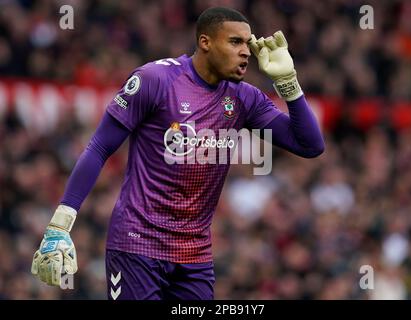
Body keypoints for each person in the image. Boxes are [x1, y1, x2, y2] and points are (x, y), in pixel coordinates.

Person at [31, 6, 325, 300]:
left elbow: (310, 146)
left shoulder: (244, 97)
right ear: (205, 42)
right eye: (235, 42)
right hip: (137, 246)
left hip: (195, 257)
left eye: (248, 43)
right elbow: (99, 147)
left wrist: (289, 84)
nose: (246, 51)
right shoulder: (155, 79)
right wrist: (60, 224)